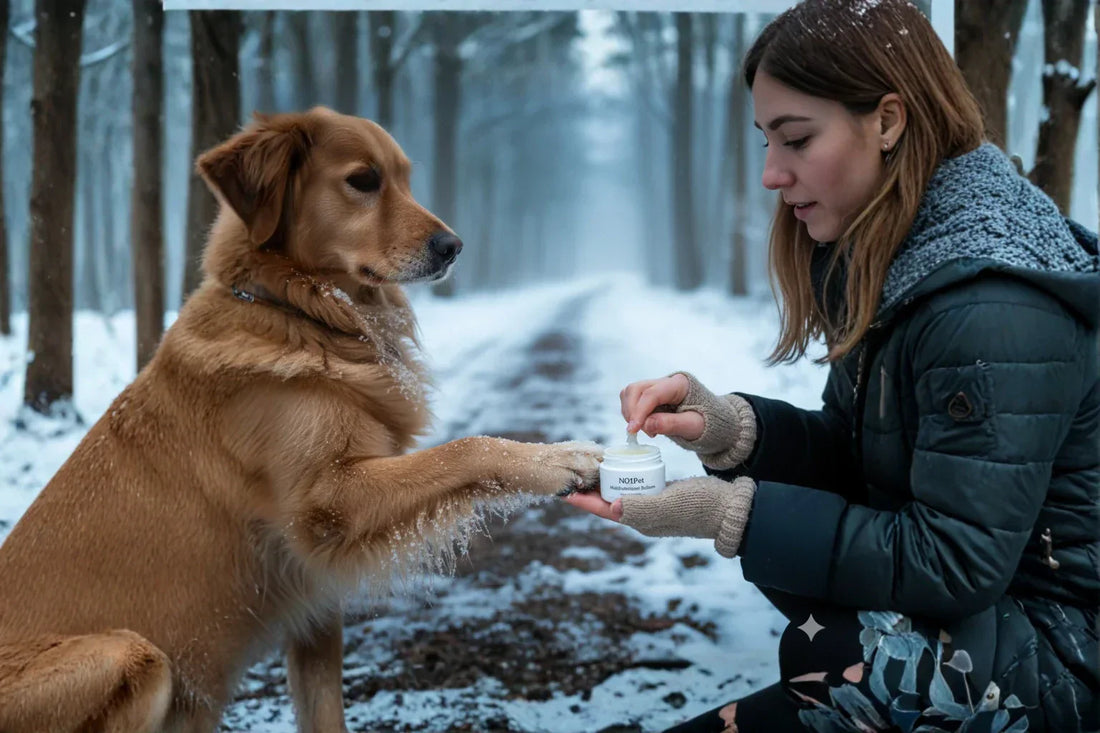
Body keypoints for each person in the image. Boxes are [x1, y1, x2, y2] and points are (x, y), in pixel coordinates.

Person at [564, 1, 1099, 731]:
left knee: (837, 650)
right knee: (830, 642)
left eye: (795, 139)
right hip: (991, 631)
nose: (771, 175)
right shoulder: (911, 259)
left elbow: (953, 560)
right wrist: (732, 433)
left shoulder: (988, 302)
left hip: (1066, 658)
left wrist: (728, 515)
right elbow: (865, 472)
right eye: (764, 141)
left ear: (887, 120)